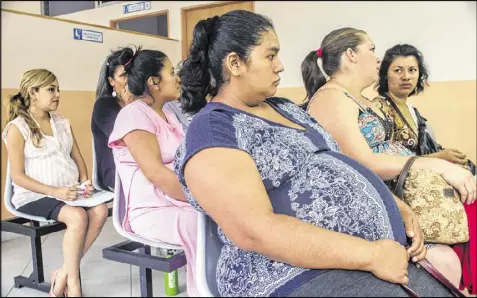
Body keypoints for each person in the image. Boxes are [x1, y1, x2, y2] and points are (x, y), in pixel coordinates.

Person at [176, 10, 454, 297]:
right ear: (235, 63)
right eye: (270, 56)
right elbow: (254, 229)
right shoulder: (214, 129)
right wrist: (371, 255)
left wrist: (398, 207)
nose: (280, 66)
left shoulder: (285, 107)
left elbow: (341, 163)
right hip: (289, 272)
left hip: (361, 257)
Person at [300, 27, 476, 291]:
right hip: (374, 204)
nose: (378, 58)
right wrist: (434, 163)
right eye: (371, 50)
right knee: (449, 254)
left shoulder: (354, 98)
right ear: (351, 55)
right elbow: (362, 163)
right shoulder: (332, 99)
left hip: (394, 193)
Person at [375, 43, 476, 295]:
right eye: (398, 70)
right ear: (385, 73)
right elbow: (384, 157)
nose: (406, 76)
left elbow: (425, 153)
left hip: (423, 180)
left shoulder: (413, 112)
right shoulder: (380, 109)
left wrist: (448, 157)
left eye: (412, 70)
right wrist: (439, 157)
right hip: (399, 186)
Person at [2, 69, 109, 297]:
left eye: (58, 89)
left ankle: (61, 273)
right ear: (33, 93)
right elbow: (18, 177)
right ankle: (73, 285)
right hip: (32, 195)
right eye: (51, 89)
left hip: (68, 192)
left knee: (100, 211)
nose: (57, 94)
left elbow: (78, 159)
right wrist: (56, 190)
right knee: (77, 216)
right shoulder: (17, 128)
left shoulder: (62, 122)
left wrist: (85, 182)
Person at [107, 49, 198, 296]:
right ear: (153, 82)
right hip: (151, 211)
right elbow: (156, 173)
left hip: (176, 201)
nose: (178, 77)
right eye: (171, 72)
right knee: (204, 225)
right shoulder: (133, 115)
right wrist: (201, 199)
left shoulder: (168, 114)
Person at [92, 46, 190, 191]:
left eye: (131, 74)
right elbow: (127, 138)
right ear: (111, 81)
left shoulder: (162, 111)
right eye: (123, 76)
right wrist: (130, 106)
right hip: (120, 173)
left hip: (160, 176)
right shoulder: (109, 107)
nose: (129, 80)